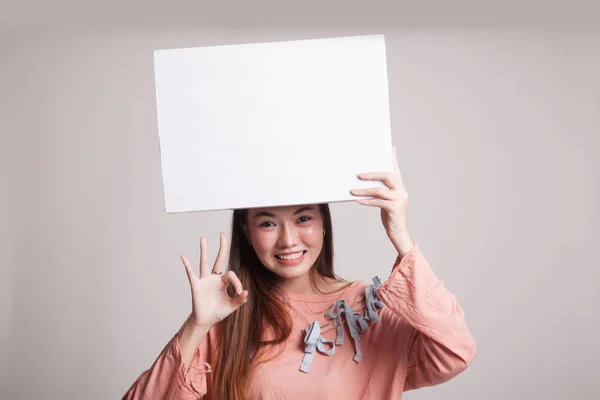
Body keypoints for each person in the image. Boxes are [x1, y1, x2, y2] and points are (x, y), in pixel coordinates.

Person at [122, 145, 476, 399]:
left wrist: (400, 236)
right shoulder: (227, 317)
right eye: (267, 223)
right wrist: (197, 327)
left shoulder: (368, 310)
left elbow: (454, 352)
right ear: (246, 231)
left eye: (303, 217)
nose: (288, 240)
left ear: (324, 221)